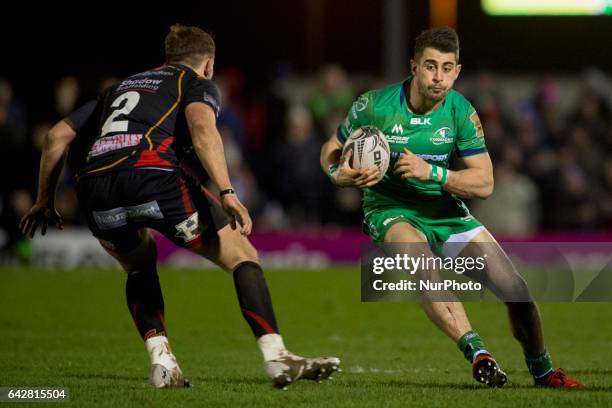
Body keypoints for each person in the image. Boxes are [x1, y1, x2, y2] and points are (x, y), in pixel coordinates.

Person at [20, 24, 339, 389]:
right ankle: (277, 358)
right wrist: (227, 191)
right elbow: (203, 130)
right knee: (243, 256)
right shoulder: (195, 83)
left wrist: (44, 199)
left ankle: (163, 362)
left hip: (95, 189)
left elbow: (55, 137)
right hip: (153, 177)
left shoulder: (120, 88)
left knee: (139, 266)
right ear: (208, 65)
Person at [320, 27, 583, 389]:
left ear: (457, 71)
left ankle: (543, 371)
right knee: (421, 263)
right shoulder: (374, 106)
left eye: (446, 68)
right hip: (389, 208)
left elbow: (485, 182)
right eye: (430, 66)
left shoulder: (461, 111)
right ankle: (478, 352)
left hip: (445, 212)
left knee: (515, 289)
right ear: (414, 67)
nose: (438, 76)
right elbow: (332, 147)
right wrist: (339, 174)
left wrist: (433, 172)